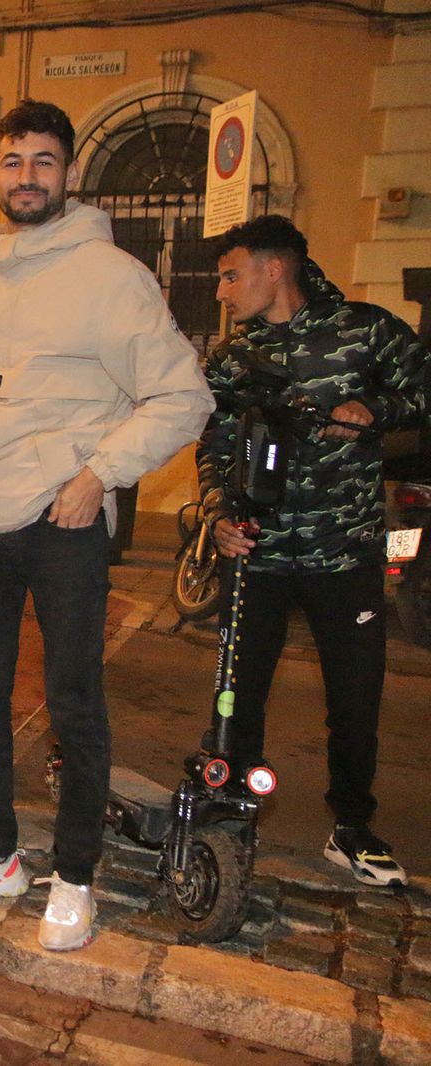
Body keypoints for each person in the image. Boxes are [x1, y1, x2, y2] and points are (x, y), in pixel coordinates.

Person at [0, 100, 213, 951]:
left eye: (44, 163)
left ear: (70, 174)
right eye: (13, 163)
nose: (27, 178)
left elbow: (184, 396)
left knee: (73, 701)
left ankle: (76, 872)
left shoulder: (112, 275)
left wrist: (98, 477)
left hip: (65, 517)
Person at [199, 215, 426, 886]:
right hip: (258, 557)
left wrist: (374, 410)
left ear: (276, 270)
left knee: (355, 699)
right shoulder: (235, 357)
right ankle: (232, 815)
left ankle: (352, 828)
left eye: (232, 275)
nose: (223, 291)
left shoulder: (367, 330)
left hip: (344, 555)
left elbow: (423, 391)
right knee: (237, 697)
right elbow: (212, 444)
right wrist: (218, 515)